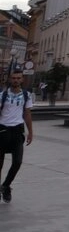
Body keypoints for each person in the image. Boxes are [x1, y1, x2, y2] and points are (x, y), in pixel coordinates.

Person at [0, 68, 34, 204]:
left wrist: (30, 132)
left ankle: (6, 185)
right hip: (2, 131)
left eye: (18, 78)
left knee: (18, 162)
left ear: (22, 79)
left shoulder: (26, 95)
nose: (16, 80)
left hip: (17, 131)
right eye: (13, 78)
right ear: (10, 79)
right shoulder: (2, 95)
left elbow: (27, 114)